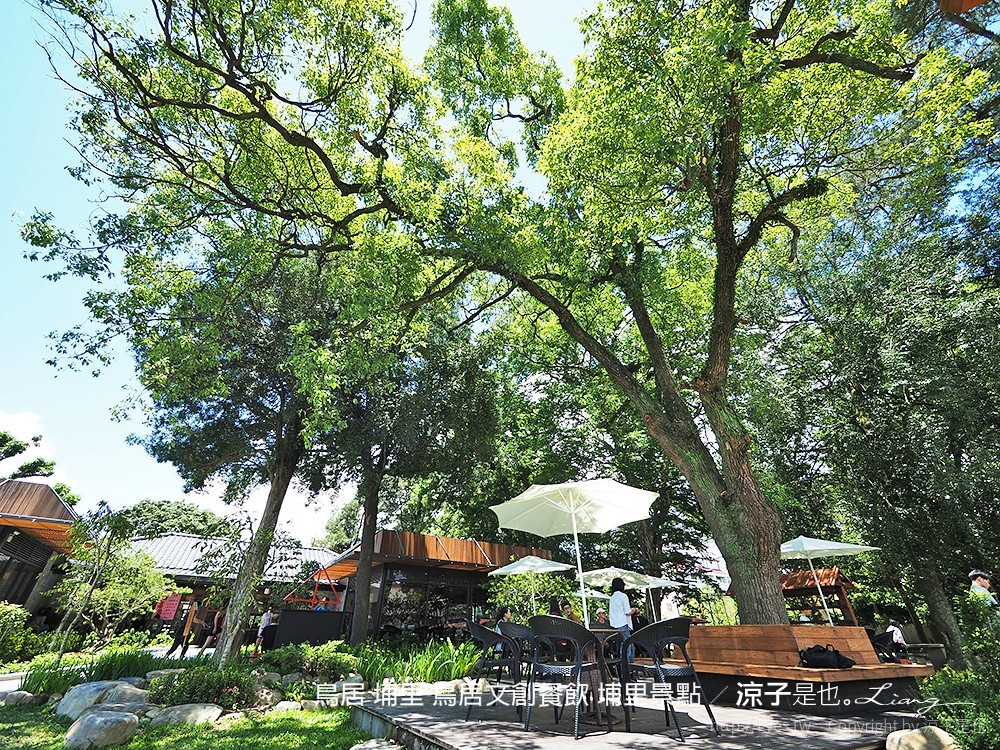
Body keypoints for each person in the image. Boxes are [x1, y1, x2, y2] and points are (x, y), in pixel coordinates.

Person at [609, 577, 639, 662]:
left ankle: (624, 666)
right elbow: (628, 612)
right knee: (629, 646)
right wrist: (635, 610)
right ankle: (628, 667)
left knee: (624, 646)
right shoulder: (623, 596)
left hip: (614, 625)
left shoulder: (612, 598)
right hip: (623, 624)